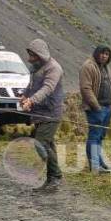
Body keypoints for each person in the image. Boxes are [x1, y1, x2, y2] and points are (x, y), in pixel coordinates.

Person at [20, 39, 65, 192]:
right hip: (40, 112)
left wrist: (31, 101)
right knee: (48, 145)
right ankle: (52, 179)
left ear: (40, 55)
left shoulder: (53, 68)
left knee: (41, 144)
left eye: (32, 55)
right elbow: (32, 85)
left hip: (51, 112)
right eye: (29, 55)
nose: (29, 58)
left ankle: (56, 176)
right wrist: (25, 95)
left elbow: (48, 88)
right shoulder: (36, 67)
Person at [79, 45, 111, 173]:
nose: (104, 56)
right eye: (102, 53)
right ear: (96, 53)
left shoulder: (106, 68)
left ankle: (99, 161)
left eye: (107, 54)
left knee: (100, 136)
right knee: (94, 136)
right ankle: (94, 166)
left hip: (107, 107)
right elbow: (85, 88)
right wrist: (96, 106)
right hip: (96, 107)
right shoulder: (88, 66)